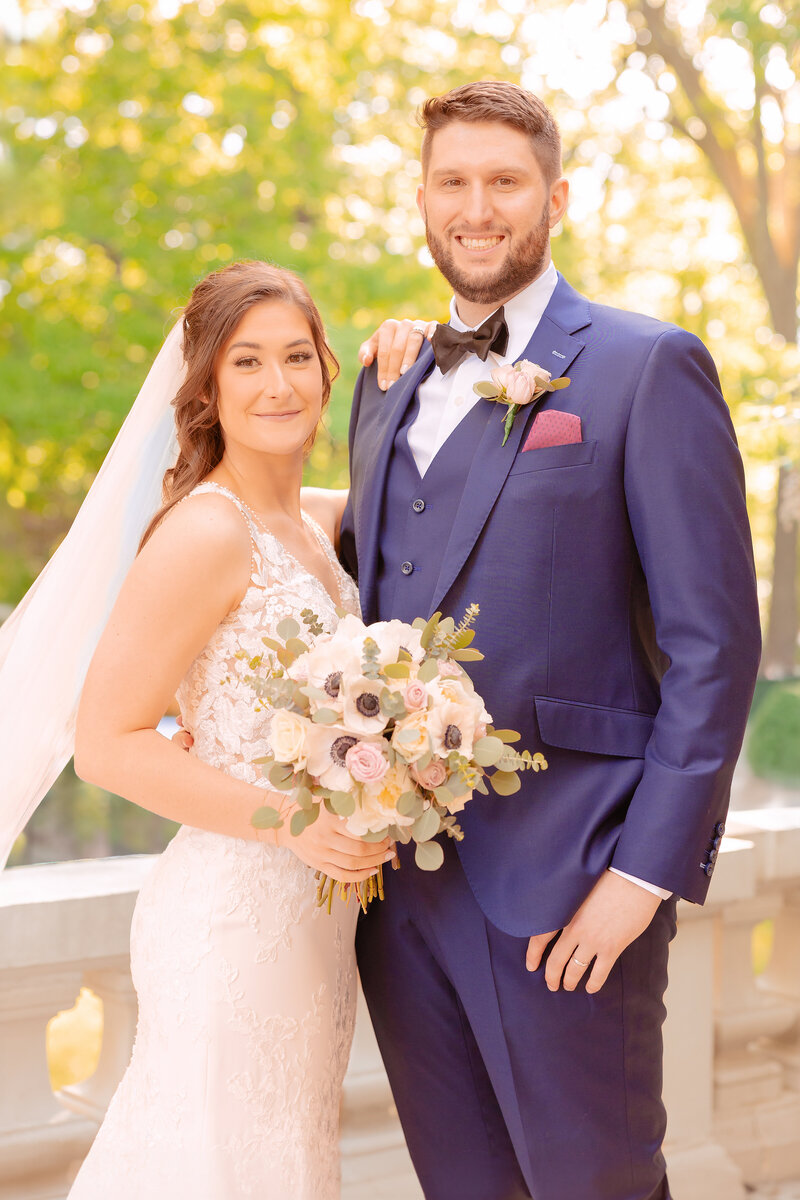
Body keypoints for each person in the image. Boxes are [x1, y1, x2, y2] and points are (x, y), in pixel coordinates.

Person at [342, 80, 761, 1200]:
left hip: (571, 881)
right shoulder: (385, 386)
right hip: (399, 896)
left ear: (554, 197)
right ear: (421, 201)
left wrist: (640, 875)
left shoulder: (643, 365)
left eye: (502, 182)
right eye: (451, 183)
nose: (475, 207)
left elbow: (713, 646)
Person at [15, 261, 394, 1199]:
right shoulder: (205, 532)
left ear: (327, 369)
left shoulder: (311, 524)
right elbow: (109, 742)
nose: (279, 385)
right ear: (208, 390)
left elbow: (437, 494)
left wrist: (413, 357)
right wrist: (294, 823)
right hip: (233, 918)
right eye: (247, 363)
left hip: (316, 926)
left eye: (298, 358)